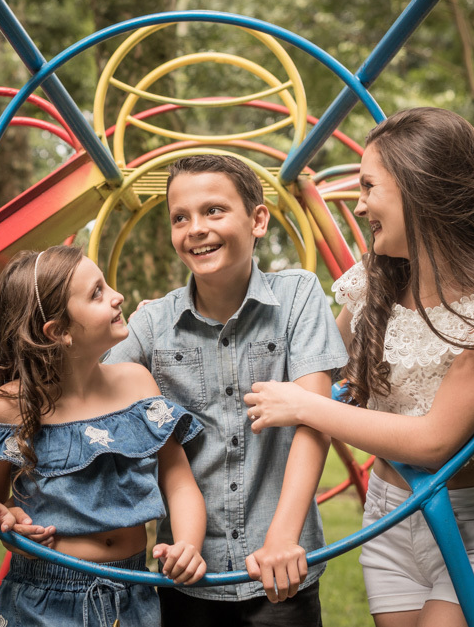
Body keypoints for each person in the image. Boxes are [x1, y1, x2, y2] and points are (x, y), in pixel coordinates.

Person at [243, 107, 474, 627]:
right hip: (390, 517)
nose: (358, 206)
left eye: (367, 187)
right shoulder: (372, 282)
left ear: (418, 188)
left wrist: (305, 405)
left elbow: (435, 441)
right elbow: (317, 372)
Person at [106, 153, 347, 626]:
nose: (195, 228)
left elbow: (315, 420)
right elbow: (85, 390)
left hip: (280, 570)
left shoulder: (298, 295)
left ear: (257, 220)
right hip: (189, 568)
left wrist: (282, 536)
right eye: (180, 218)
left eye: (213, 211)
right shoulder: (154, 323)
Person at [0, 245, 208, 627]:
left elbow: (179, 480)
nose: (117, 296)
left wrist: (188, 543)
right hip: (44, 601)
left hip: (132, 594)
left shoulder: (137, 383)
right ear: (60, 332)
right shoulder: (12, 406)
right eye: (97, 292)